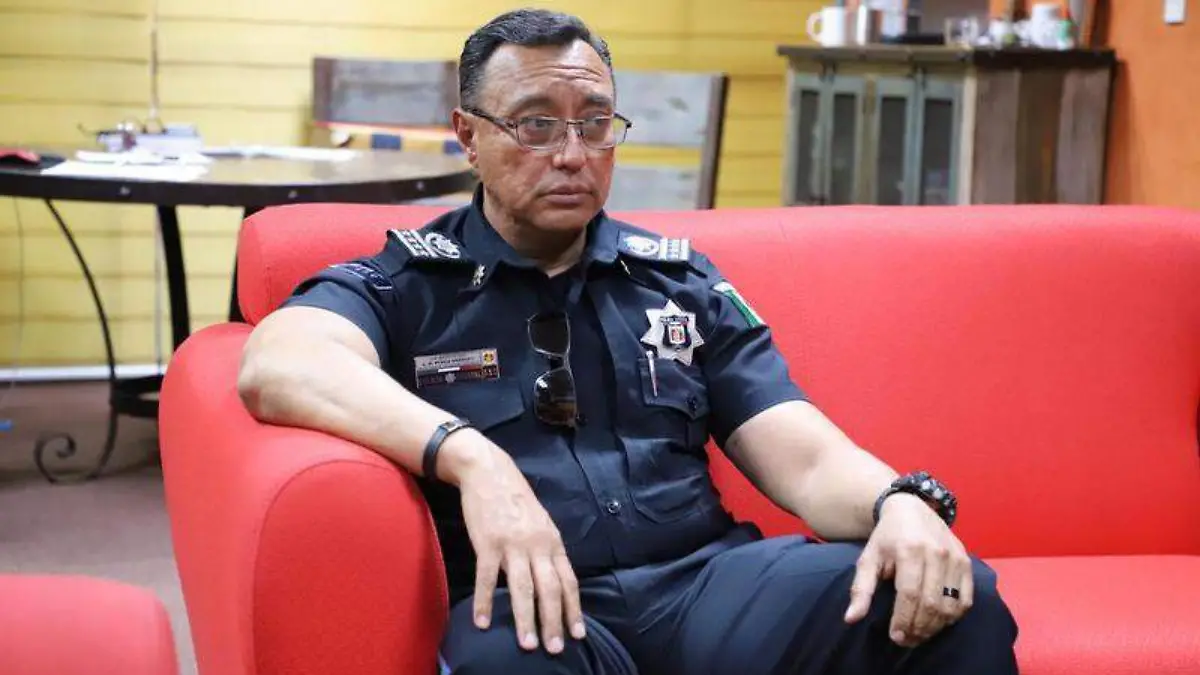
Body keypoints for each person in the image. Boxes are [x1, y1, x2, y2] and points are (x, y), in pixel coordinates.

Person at [237, 8, 1020, 675]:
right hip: (533, 600)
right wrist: (472, 457)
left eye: (595, 123)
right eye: (536, 124)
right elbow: (279, 361)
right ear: (468, 136)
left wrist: (899, 501)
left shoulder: (679, 282)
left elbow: (806, 458)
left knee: (953, 592)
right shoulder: (411, 283)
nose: (573, 154)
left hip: (705, 585)